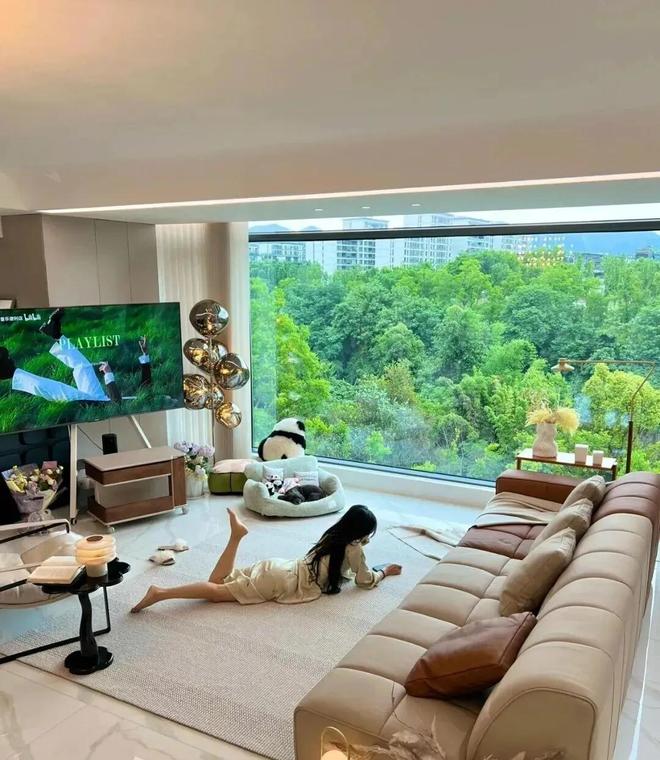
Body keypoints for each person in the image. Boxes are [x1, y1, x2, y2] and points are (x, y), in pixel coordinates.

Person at [131, 505, 402, 612]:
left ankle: (236, 536)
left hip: (281, 567)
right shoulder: (354, 549)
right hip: (282, 582)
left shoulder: (333, 535)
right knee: (214, 592)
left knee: (217, 581)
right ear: (361, 533)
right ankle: (160, 593)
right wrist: (384, 572)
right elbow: (364, 580)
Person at [0, 308, 150, 404]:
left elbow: (117, 404)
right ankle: (55, 334)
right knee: (82, 366)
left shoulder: (149, 404)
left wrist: (109, 375)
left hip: (99, 405)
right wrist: (145, 355)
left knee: (56, 389)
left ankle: (8, 372)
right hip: (99, 399)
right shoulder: (151, 397)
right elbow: (146, 386)